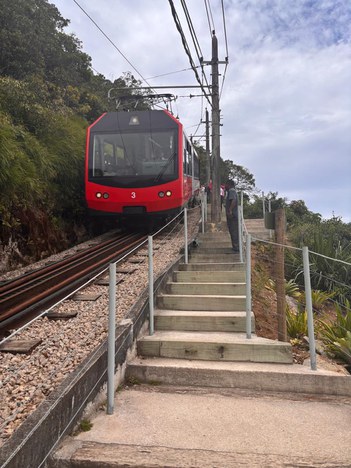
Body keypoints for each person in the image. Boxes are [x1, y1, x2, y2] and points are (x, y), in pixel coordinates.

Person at [225, 179, 239, 252]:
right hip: (232, 215)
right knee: (233, 231)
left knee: (234, 231)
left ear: (229, 184)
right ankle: (235, 247)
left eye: (226, 184)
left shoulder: (231, 191)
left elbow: (233, 200)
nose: (225, 186)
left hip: (233, 216)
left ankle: (236, 248)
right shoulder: (231, 191)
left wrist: (230, 210)